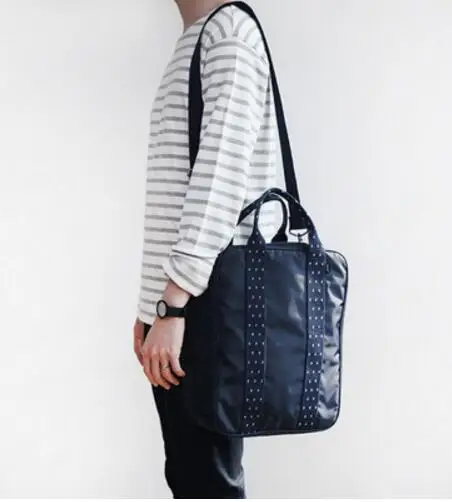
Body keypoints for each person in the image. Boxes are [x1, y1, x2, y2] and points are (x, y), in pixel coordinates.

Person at [133, 0, 278, 497]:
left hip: (201, 309)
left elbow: (220, 182)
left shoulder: (229, 34)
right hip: (183, 307)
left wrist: (171, 306)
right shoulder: (200, 35)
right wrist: (150, 306)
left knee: (207, 484)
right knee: (191, 476)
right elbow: (181, 188)